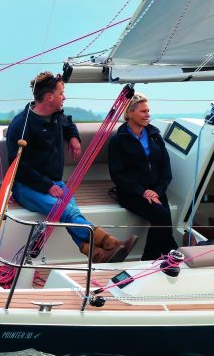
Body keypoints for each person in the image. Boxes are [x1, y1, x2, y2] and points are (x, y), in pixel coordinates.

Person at [7, 71, 136, 263]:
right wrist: (47, 186)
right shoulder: (21, 125)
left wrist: (73, 137)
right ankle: (110, 243)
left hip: (55, 182)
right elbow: (17, 166)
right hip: (26, 187)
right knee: (67, 211)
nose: (64, 97)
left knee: (72, 212)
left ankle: (96, 254)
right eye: (61, 93)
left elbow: (68, 123)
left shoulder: (56, 115)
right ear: (49, 97)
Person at [108, 92, 178, 261]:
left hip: (156, 191)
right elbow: (117, 174)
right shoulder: (118, 141)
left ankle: (165, 254)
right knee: (162, 217)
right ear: (129, 113)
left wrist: (157, 191)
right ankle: (154, 257)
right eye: (143, 111)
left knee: (164, 221)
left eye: (148, 111)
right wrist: (142, 192)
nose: (148, 115)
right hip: (131, 193)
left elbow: (166, 169)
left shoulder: (155, 136)